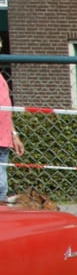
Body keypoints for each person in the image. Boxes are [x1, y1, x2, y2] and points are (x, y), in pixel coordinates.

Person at [0, 71, 24, 205]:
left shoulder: (1, 78)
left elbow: (6, 111)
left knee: (2, 186)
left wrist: (14, 135)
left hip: (4, 141)